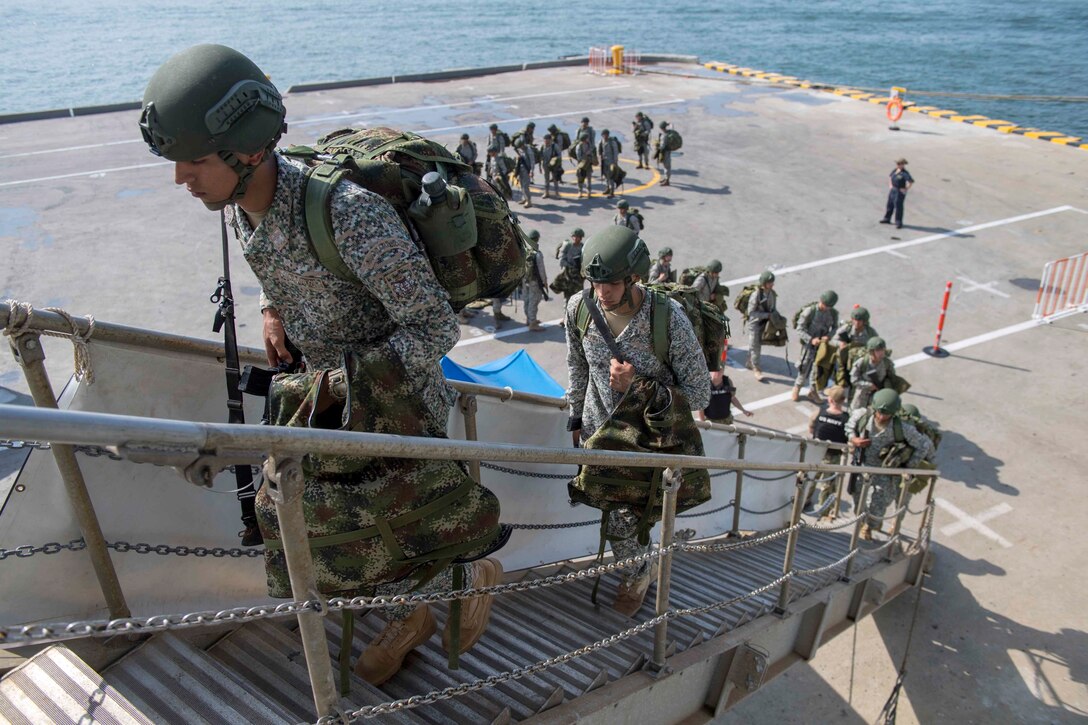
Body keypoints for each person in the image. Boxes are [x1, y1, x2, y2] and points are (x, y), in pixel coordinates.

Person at [140, 44, 502, 685]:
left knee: (396, 520)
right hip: (325, 395)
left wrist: (341, 385)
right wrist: (273, 307)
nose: (180, 179)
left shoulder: (349, 215)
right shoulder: (243, 212)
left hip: (397, 400)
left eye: (193, 162)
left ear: (245, 151)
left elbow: (434, 325)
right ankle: (414, 608)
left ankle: (462, 578)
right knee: (335, 527)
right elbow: (281, 261)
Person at [565, 226, 710, 615]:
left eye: (610, 283)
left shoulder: (667, 320)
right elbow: (578, 365)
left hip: (649, 442)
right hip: (600, 438)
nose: (601, 292)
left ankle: (639, 570)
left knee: (625, 515)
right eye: (594, 282)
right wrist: (576, 415)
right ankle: (641, 565)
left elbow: (699, 394)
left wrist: (639, 386)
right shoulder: (579, 308)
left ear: (635, 277)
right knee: (616, 511)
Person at [847, 390, 934, 539]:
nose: (881, 417)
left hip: (885, 473)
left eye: (886, 414)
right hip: (861, 466)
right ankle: (862, 521)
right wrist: (853, 438)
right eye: (879, 412)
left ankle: (870, 526)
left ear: (893, 413)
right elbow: (849, 426)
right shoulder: (862, 415)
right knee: (857, 500)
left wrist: (908, 467)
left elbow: (924, 444)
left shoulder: (901, 428)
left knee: (878, 506)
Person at [807, 385, 850, 515]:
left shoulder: (820, 412)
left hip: (817, 453)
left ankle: (804, 500)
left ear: (830, 400)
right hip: (834, 456)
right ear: (843, 400)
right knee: (828, 483)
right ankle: (823, 509)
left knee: (810, 478)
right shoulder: (846, 419)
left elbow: (811, 428)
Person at [792, 290, 839, 404]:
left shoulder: (833, 313)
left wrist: (828, 336)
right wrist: (811, 340)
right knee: (804, 367)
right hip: (809, 345)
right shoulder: (810, 311)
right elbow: (800, 329)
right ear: (821, 301)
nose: (826, 308)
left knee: (817, 369)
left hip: (822, 346)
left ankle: (813, 392)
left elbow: (834, 328)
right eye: (824, 305)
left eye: (828, 306)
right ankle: (797, 387)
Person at [745, 270, 778, 381]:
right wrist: (766, 315)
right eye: (770, 282)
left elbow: (773, 308)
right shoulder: (756, 295)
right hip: (755, 324)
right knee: (756, 346)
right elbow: (751, 313)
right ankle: (756, 368)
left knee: (754, 344)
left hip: (765, 323)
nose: (772, 284)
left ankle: (750, 361)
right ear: (764, 283)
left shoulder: (772, 294)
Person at [834, 307, 879, 387]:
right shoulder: (847, 328)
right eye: (855, 320)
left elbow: (877, 344)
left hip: (860, 360)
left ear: (864, 321)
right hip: (845, 358)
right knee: (841, 379)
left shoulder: (870, 332)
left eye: (859, 321)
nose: (857, 322)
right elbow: (833, 340)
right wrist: (840, 343)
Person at [850, 336, 897, 410]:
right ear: (871, 351)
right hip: (862, 395)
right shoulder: (862, 362)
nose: (881, 352)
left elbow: (892, 378)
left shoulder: (887, 363)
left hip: (878, 395)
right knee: (855, 412)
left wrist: (885, 387)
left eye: (883, 350)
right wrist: (869, 385)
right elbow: (854, 380)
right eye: (878, 350)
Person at [551, 227, 586, 315]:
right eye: (574, 236)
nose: (575, 238)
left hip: (578, 276)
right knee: (568, 297)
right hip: (568, 275)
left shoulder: (583, 247)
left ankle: (575, 316)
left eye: (577, 236)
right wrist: (570, 266)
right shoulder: (568, 246)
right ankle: (566, 317)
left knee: (578, 297)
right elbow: (561, 260)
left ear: (581, 237)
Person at [523, 229, 548, 331]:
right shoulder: (537, 254)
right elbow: (542, 271)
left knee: (527, 300)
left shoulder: (525, 250)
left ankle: (529, 319)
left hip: (525, 280)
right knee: (534, 301)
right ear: (537, 239)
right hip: (535, 282)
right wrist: (545, 282)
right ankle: (532, 323)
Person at [880, 158, 913, 229]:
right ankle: (887, 218)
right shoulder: (895, 170)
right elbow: (890, 177)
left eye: (899, 164)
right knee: (890, 204)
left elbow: (911, 181)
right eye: (897, 164)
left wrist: (906, 189)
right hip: (893, 190)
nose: (897, 165)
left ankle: (898, 222)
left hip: (899, 191)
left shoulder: (905, 173)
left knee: (898, 207)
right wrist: (890, 185)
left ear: (903, 165)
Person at [539, 132, 563, 199]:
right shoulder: (542, 147)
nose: (546, 141)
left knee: (555, 180)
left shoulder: (554, 146)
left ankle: (557, 193)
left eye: (547, 140)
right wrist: (540, 167)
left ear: (550, 140)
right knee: (546, 180)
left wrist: (555, 161)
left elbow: (559, 155)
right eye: (545, 140)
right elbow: (540, 156)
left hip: (553, 166)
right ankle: (546, 193)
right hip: (545, 165)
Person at [599, 129, 621, 197]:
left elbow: (615, 153)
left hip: (611, 162)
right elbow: (600, 151)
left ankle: (612, 191)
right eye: (603, 134)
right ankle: (607, 188)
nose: (604, 136)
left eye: (605, 134)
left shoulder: (612, 142)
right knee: (606, 175)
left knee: (611, 177)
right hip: (604, 162)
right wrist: (600, 158)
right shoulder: (601, 141)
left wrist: (615, 162)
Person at [513, 139, 534, 208]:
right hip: (521, 170)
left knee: (525, 187)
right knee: (522, 185)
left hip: (526, 171)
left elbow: (532, 161)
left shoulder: (529, 150)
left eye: (520, 146)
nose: (520, 148)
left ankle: (529, 201)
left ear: (523, 144)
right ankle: (525, 199)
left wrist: (531, 171)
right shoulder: (520, 149)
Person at [574, 132, 595, 198]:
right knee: (580, 178)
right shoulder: (579, 146)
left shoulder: (589, 144)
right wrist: (586, 154)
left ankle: (589, 192)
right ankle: (580, 191)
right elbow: (579, 157)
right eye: (587, 138)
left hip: (588, 164)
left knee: (589, 178)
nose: (588, 139)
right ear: (584, 139)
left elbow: (592, 152)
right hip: (581, 165)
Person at [655, 121, 674, 186]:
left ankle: (667, 181)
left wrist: (657, 145)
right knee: (666, 166)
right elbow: (672, 125)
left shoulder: (664, 136)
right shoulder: (670, 132)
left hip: (665, 152)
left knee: (666, 166)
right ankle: (666, 178)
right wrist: (668, 123)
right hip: (668, 151)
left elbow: (662, 146)